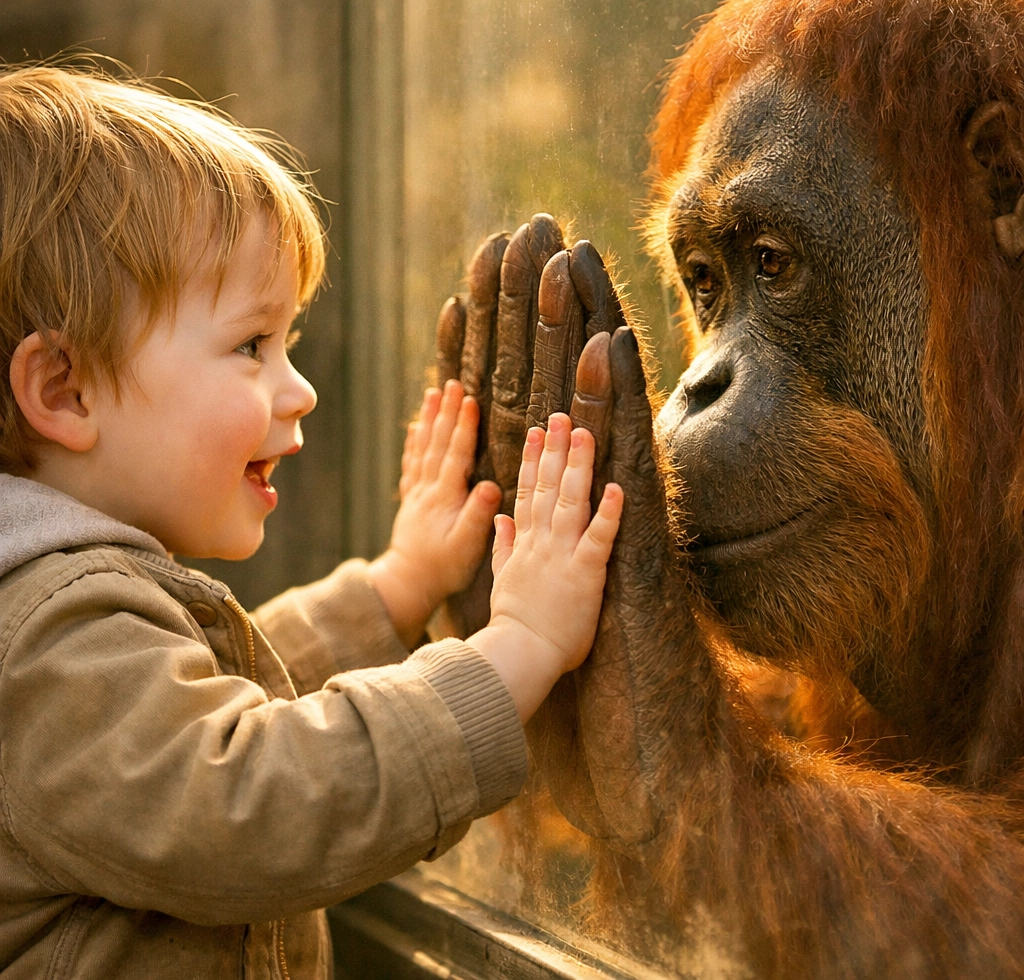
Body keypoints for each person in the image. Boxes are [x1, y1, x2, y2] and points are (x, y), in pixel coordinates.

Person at [0, 63, 623, 979]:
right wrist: (518, 646)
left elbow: (200, 713)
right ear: (65, 389)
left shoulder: (59, 619)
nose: (301, 389)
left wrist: (394, 587)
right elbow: (247, 801)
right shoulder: (44, 642)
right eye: (252, 344)